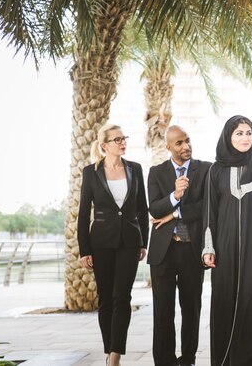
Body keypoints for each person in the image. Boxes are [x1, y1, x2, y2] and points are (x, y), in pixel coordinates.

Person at [201, 115, 252, 366]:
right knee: (224, 302)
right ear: (228, 136)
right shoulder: (215, 170)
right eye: (239, 133)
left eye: (249, 133)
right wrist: (208, 247)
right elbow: (209, 212)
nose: (245, 138)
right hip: (225, 249)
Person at [77, 124, 149, 366]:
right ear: (104, 145)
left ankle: (115, 356)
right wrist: (84, 249)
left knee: (122, 297)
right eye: (117, 139)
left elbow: (142, 207)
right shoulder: (91, 172)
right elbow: (83, 211)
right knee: (106, 299)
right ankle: (110, 350)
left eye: (124, 138)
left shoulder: (135, 169)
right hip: (101, 243)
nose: (122, 142)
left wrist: (143, 241)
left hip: (129, 242)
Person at [146, 126, 211, 366]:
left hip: (190, 248)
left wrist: (176, 213)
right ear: (169, 147)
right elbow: (154, 208)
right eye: (179, 143)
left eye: (188, 141)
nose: (186, 146)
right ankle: (164, 361)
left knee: (191, 310)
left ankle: (188, 360)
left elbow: (208, 206)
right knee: (163, 312)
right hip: (163, 251)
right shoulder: (156, 172)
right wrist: (174, 195)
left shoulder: (205, 169)